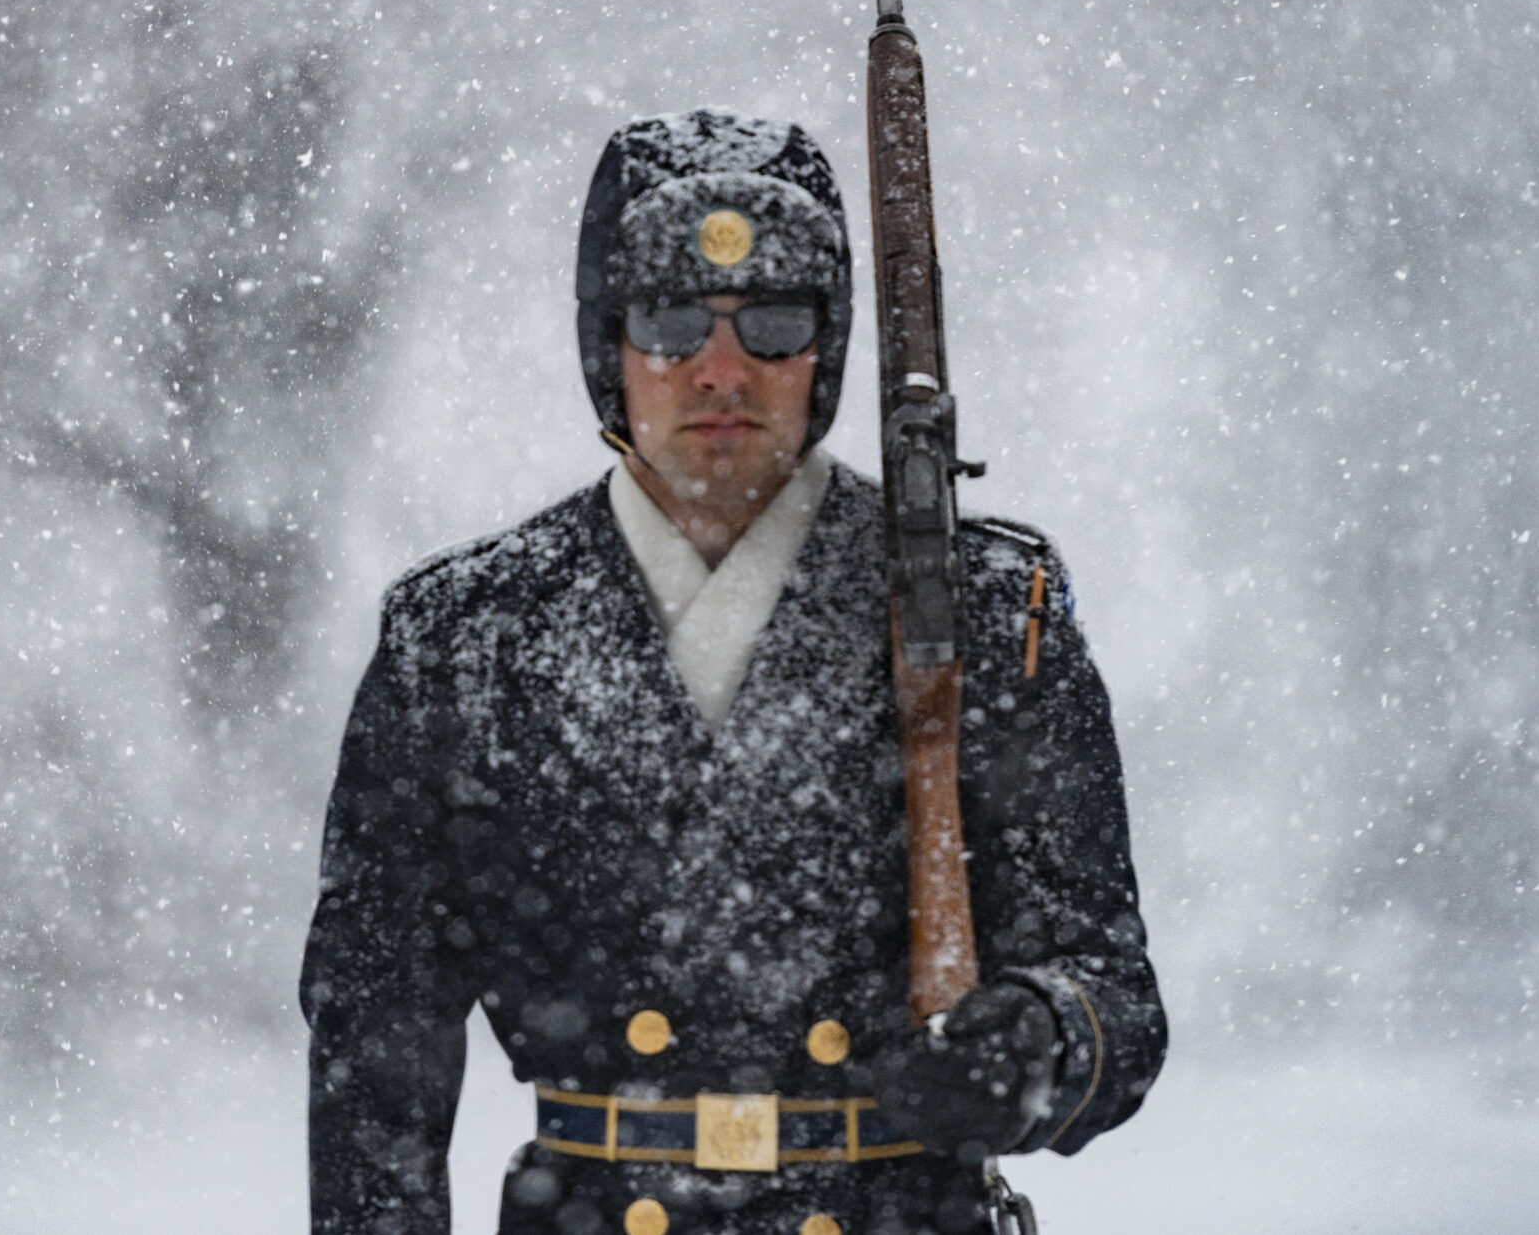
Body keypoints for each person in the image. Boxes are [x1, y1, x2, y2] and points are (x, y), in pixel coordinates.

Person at [301, 109, 1165, 1235]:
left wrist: (1043, 1041)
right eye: (668, 321)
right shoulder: (465, 636)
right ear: (607, 343)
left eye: (772, 322)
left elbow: (1115, 996)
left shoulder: (986, 610)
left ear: (830, 344)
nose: (721, 368)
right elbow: (374, 1050)